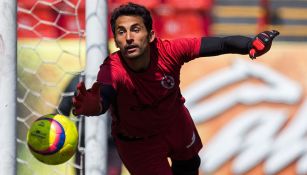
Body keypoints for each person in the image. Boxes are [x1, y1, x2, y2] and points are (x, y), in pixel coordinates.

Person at [72, 2, 279, 175]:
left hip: (175, 124)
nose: (128, 37)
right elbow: (104, 96)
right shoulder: (112, 69)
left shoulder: (170, 51)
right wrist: (95, 105)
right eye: (121, 31)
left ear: (151, 35)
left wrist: (251, 43)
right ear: (116, 40)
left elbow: (222, 44)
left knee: (190, 166)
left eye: (135, 29)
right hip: (139, 143)